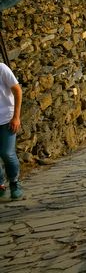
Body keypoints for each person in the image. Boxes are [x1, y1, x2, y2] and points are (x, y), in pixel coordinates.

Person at [0, 61, 23, 200]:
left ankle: (14, 183)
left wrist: (16, 117)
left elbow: (17, 90)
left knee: (6, 153)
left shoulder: (1, 68)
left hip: (6, 118)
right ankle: (0, 185)